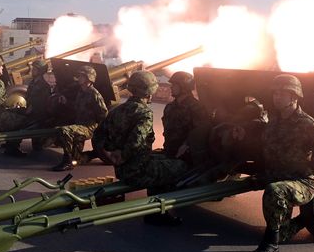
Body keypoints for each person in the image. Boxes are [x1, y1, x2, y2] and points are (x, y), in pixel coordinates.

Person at [250, 74, 314, 252]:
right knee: (254, 184)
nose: (276, 97)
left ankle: (271, 242)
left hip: (301, 181)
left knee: (274, 191)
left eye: (282, 93)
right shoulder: (274, 122)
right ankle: (302, 220)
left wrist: (303, 170)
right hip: (277, 175)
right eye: (275, 93)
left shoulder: (309, 125)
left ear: (294, 97)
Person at [93, 70, 190, 225]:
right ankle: (159, 212)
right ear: (149, 91)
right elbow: (136, 142)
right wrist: (124, 156)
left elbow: (97, 137)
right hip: (138, 172)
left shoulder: (116, 110)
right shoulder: (144, 113)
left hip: (122, 171)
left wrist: (110, 156)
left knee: (161, 160)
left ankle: (154, 210)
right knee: (180, 166)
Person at [52, 65, 108, 171]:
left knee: (63, 131)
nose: (79, 78)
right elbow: (76, 107)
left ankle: (67, 161)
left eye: (81, 76)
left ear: (88, 78)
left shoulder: (95, 94)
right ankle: (93, 154)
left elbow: (103, 114)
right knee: (77, 159)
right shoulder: (81, 92)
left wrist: (99, 131)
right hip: (80, 126)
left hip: (88, 127)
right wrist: (66, 102)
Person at [161, 71, 210, 161]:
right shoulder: (170, 107)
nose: (171, 87)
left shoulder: (197, 108)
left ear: (184, 87)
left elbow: (200, 135)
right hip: (169, 154)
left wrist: (186, 145)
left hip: (186, 159)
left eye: (174, 85)